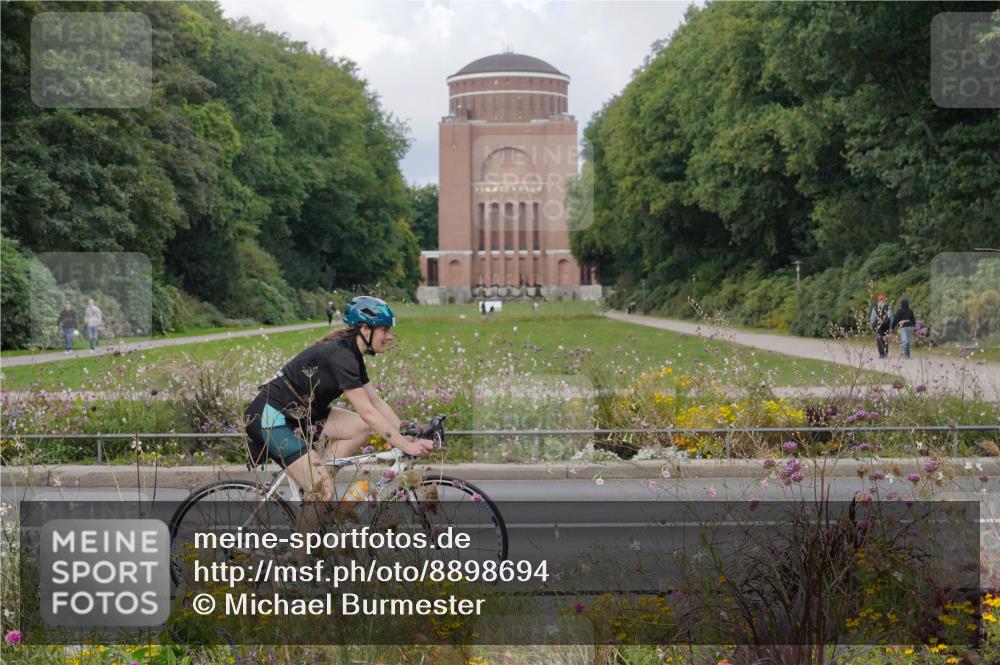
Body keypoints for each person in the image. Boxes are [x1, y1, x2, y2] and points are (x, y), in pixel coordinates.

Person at [243, 295, 435, 509]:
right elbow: (367, 411)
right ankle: (310, 521)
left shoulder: (352, 354)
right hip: (271, 418)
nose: (390, 337)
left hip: (301, 415)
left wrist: (404, 432)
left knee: (360, 429)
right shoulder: (340, 356)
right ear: (365, 329)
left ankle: (317, 483)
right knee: (323, 490)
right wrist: (406, 445)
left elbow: (375, 401)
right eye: (384, 330)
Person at [869, 294, 891, 359]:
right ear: (884, 300)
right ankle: (886, 353)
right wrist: (890, 326)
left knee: (879, 338)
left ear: (878, 301)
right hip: (886, 326)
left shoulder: (875, 308)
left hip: (878, 326)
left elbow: (873, 318)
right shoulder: (888, 307)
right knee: (885, 339)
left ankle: (881, 354)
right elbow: (890, 317)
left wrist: (871, 325)